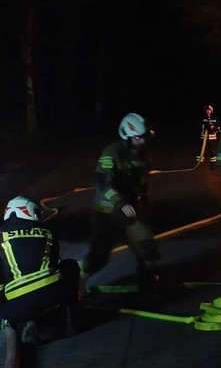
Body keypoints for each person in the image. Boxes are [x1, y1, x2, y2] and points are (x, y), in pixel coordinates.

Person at [81, 113, 160, 292]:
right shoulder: (112, 152)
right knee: (98, 256)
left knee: (146, 245)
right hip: (106, 212)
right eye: (138, 138)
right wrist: (119, 202)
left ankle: (148, 282)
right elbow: (102, 181)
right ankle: (78, 284)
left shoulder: (144, 155)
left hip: (130, 209)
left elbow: (143, 183)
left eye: (144, 138)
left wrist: (145, 203)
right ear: (127, 136)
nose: (142, 142)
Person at [1, 196, 80, 345]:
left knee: (8, 291)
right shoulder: (47, 231)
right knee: (70, 265)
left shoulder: (1, 236)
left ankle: (22, 324)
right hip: (54, 295)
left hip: (18, 305)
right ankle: (72, 321)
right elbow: (55, 261)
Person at [196, 104, 219, 170]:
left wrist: (213, 127)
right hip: (204, 137)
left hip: (212, 138)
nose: (208, 111)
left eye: (209, 110)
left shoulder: (215, 119)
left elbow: (218, 128)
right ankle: (198, 164)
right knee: (201, 151)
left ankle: (213, 165)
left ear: (212, 111)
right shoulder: (202, 118)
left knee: (213, 151)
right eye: (207, 110)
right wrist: (204, 126)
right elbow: (199, 126)